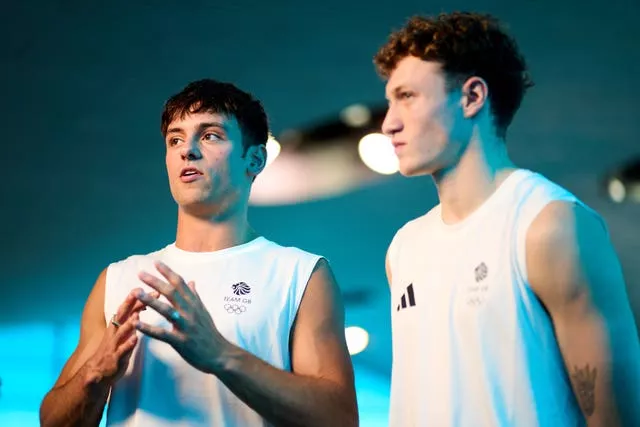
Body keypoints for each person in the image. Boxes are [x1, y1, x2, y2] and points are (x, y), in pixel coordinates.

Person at [39, 79, 359, 427]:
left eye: (210, 135)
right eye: (175, 139)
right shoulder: (119, 278)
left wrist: (220, 354)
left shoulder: (300, 274)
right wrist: (95, 375)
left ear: (254, 159)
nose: (186, 150)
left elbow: (339, 419)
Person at [375, 11, 640, 427]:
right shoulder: (404, 249)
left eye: (407, 96)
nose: (389, 123)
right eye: (389, 100)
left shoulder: (549, 225)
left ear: (471, 97)